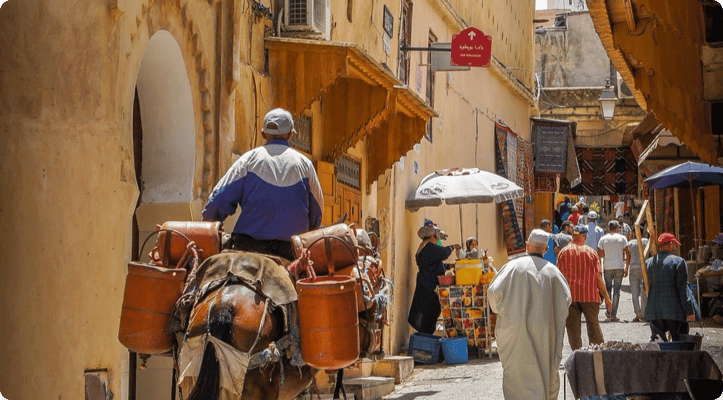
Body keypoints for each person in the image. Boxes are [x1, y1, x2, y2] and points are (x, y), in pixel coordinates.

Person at [202, 108, 323, 260]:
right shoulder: (305, 165)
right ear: (291, 135)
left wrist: (208, 228)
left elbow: (217, 201)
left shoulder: (247, 160)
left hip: (247, 247)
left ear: (263, 134)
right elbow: (317, 212)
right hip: (291, 252)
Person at [488, 229, 572, 400]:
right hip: (546, 333)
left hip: (515, 332)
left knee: (517, 377)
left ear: (527, 245)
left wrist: (502, 309)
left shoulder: (511, 267)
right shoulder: (554, 272)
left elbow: (493, 294)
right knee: (545, 371)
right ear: (546, 249)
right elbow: (566, 300)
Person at [557, 225, 613, 350]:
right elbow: (598, 277)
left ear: (573, 236)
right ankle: (597, 355)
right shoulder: (591, 253)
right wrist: (607, 298)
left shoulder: (563, 253)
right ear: (584, 236)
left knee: (573, 330)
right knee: (594, 327)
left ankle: (577, 355)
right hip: (590, 296)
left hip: (571, 297)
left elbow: (559, 277)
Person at [408, 225, 461, 334]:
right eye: (437, 238)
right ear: (432, 236)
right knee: (428, 315)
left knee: (428, 315)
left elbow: (433, 265)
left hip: (427, 285)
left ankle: (426, 337)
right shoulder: (428, 247)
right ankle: (425, 340)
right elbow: (443, 253)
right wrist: (453, 247)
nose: (437, 240)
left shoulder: (425, 248)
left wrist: (449, 266)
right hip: (428, 287)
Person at [644, 233, 697, 341]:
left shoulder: (648, 263)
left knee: (658, 345)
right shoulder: (679, 262)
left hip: (655, 312)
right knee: (679, 343)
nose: (675, 248)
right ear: (671, 244)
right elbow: (682, 289)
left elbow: (645, 286)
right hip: (675, 312)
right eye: (675, 245)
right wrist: (689, 311)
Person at [597, 220, 630, 321]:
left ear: (608, 228)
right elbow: (628, 253)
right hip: (619, 266)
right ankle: (614, 313)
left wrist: (599, 268)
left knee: (607, 290)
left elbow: (599, 255)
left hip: (607, 267)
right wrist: (626, 267)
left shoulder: (603, 239)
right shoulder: (622, 238)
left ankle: (609, 310)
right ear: (616, 228)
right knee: (617, 291)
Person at [627, 233, 649, 322]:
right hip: (644, 268)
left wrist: (626, 267)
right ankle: (644, 313)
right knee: (644, 291)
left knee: (634, 293)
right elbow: (651, 252)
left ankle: (638, 313)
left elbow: (627, 256)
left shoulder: (630, 243)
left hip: (633, 268)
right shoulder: (646, 241)